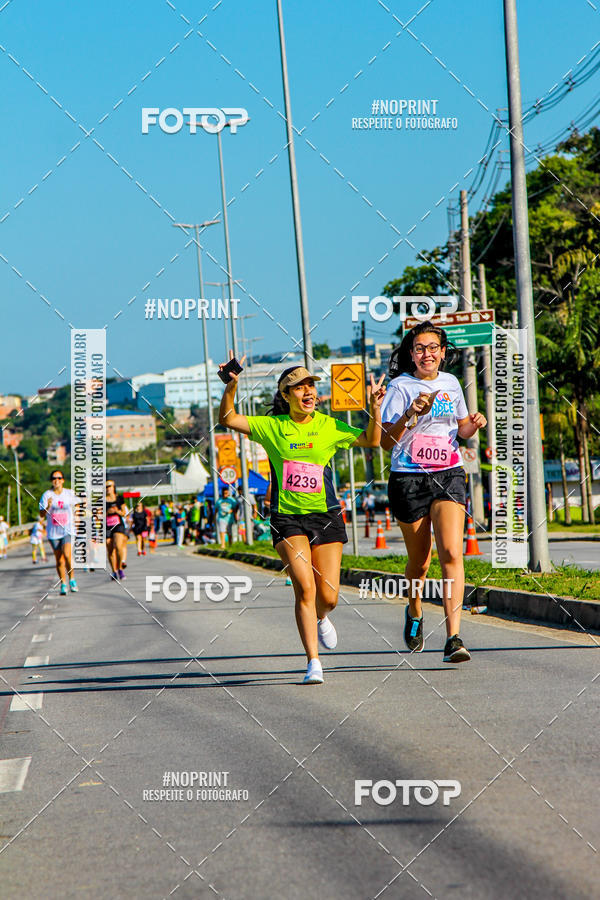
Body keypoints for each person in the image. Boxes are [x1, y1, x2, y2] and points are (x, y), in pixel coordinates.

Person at [219, 353, 385, 685]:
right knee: (304, 587)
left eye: (311, 385)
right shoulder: (272, 427)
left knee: (329, 596)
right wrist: (232, 387)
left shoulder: (329, 425)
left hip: (325, 516)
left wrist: (374, 406)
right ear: (285, 395)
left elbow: (373, 440)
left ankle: (322, 616)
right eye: (298, 387)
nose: (308, 391)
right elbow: (228, 419)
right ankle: (313, 661)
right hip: (287, 518)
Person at [381, 321, 486, 663]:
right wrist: (411, 413)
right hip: (408, 479)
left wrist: (474, 422)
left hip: (448, 473)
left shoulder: (452, 383)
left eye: (433, 348)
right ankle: (414, 609)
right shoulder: (400, 387)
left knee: (452, 553)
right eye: (420, 348)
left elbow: (462, 430)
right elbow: (385, 441)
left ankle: (454, 636)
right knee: (420, 562)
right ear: (411, 354)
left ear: (443, 352)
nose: (427, 354)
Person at [39, 470, 78, 594]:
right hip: (53, 532)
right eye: (54, 478)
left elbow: (79, 505)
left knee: (67, 556)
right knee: (59, 560)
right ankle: (63, 583)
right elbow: (41, 514)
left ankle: (72, 579)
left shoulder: (69, 493)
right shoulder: (47, 495)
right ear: (51, 481)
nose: (56, 480)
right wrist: (47, 506)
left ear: (62, 480)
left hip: (68, 530)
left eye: (59, 478)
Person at [106, 480, 128, 580]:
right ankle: (114, 571)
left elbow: (124, 513)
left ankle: (120, 568)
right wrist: (107, 512)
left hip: (118, 525)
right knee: (110, 550)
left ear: (114, 487)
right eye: (106, 487)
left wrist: (117, 511)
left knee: (118, 546)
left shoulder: (119, 498)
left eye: (109, 486)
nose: (108, 488)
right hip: (107, 526)